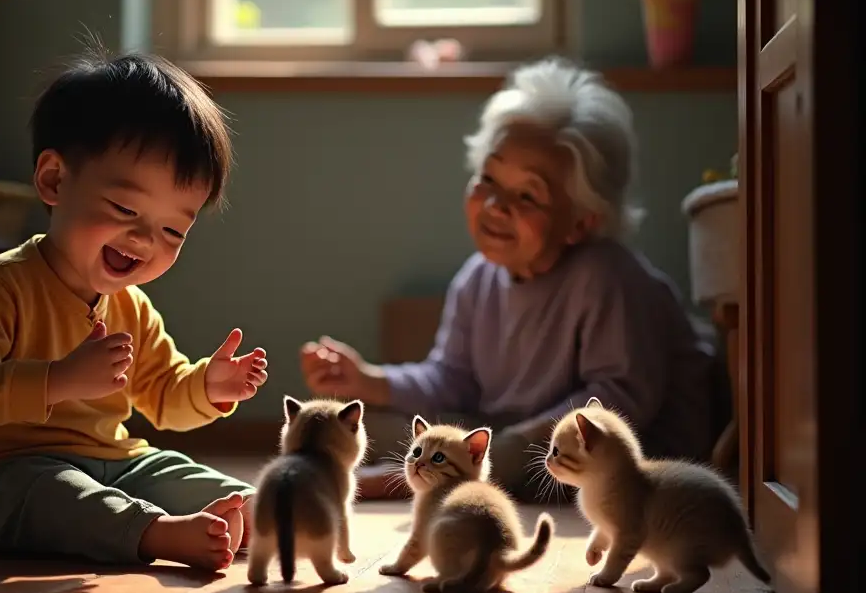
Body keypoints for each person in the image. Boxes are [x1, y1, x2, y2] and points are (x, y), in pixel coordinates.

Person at [300, 58, 720, 500]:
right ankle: (426, 473)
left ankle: (413, 480)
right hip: (514, 437)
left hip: (631, 461)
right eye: (488, 179)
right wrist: (369, 381)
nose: (495, 205)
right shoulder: (477, 278)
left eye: (526, 196)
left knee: (498, 452)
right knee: (375, 426)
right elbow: (450, 379)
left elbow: (620, 398)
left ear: (580, 221)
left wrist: (518, 443)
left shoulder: (608, 277)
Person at [0, 50, 268, 572]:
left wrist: (208, 388)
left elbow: (162, 393)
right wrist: (59, 380)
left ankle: (257, 513)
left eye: (174, 230)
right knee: (57, 494)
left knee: (172, 470)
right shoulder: (0, 286)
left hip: (113, 462)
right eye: (126, 209)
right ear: (55, 182)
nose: (145, 240)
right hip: (0, 477)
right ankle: (153, 533)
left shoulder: (132, 307)